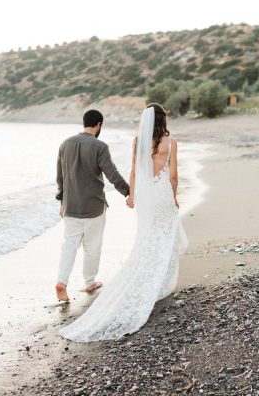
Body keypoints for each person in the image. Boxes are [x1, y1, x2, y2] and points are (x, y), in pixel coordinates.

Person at [58, 103, 188, 341]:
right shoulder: (172, 143)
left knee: (145, 236)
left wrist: (132, 195)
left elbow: (134, 171)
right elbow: (173, 175)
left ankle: (65, 281)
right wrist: (173, 195)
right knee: (164, 236)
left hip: (141, 197)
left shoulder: (137, 141)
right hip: (158, 194)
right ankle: (158, 282)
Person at [55, 109, 131, 302]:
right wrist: (129, 192)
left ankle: (61, 282)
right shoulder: (100, 146)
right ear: (99, 125)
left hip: (71, 205)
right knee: (92, 246)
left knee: (69, 245)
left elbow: (60, 176)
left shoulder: (65, 144)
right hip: (93, 206)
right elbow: (112, 174)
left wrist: (62, 200)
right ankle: (89, 282)